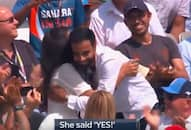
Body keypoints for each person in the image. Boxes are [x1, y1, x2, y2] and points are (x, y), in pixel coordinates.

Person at [115, 0, 188, 104]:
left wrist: (164, 74)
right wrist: (156, 76)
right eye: (131, 18)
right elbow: (131, 84)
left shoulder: (167, 42)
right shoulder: (122, 51)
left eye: (140, 15)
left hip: (170, 104)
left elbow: (183, 75)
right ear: (126, 22)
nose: (136, 21)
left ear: (149, 16)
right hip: (143, 105)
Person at [12, 0, 85, 58]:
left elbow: (80, 27)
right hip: (40, 55)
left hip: (68, 54)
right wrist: (29, 6)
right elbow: (13, 23)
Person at [89, 0, 165, 48]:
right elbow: (98, 52)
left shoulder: (147, 8)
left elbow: (162, 41)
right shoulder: (97, 17)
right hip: (119, 69)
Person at [0, 5, 38, 84]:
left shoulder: (24, 46)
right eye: (11, 20)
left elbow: (39, 75)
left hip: (29, 95)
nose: (16, 22)